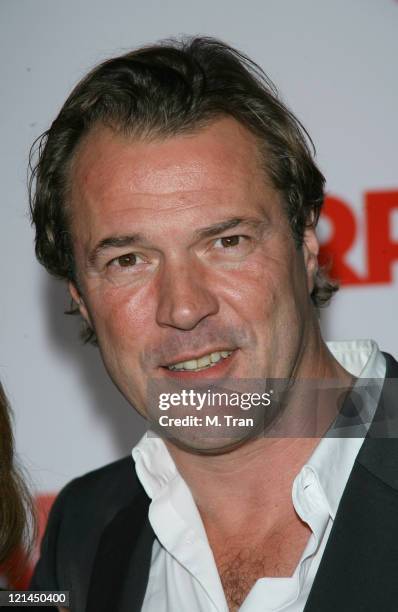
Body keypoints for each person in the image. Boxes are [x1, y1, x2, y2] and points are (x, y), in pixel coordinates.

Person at [28, 37, 398, 612]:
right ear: (79, 293)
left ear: (306, 244)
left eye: (227, 242)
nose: (182, 307)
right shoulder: (82, 531)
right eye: (128, 260)